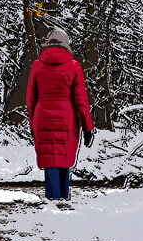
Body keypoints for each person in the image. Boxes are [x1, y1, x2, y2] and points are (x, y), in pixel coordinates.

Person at [26, 29, 95, 201]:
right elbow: (81, 100)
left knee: (50, 159)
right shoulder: (73, 66)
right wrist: (88, 127)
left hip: (42, 116)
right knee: (64, 158)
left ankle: (53, 201)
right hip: (67, 117)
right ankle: (64, 200)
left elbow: (30, 99)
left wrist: (32, 122)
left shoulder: (37, 65)